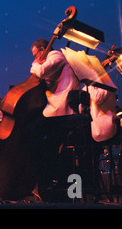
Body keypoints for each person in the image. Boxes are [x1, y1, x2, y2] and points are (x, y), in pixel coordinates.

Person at [29, 38, 83, 200]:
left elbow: (39, 71)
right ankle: (46, 182)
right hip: (56, 112)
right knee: (42, 143)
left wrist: (36, 64)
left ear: (43, 49)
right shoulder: (53, 59)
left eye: (35, 54)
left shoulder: (56, 55)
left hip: (62, 112)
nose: (35, 58)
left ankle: (45, 182)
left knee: (32, 133)